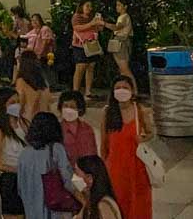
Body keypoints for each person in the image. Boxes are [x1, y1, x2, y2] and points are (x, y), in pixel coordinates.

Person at [102, 76, 153, 219]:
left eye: (125, 88)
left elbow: (150, 133)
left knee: (138, 204)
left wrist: (142, 138)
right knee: (119, 202)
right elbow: (104, 144)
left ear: (132, 91)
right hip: (116, 168)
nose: (121, 91)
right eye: (117, 88)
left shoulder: (139, 110)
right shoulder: (108, 112)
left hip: (137, 167)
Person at [17, 111, 76, 219]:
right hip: (53, 211)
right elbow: (67, 181)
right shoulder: (56, 149)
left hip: (31, 212)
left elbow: (20, 187)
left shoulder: (24, 153)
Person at [0, 87, 28, 219]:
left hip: (27, 179)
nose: (16, 105)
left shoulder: (24, 124)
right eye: (12, 102)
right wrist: (17, 170)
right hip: (10, 181)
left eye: (18, 101)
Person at [71, 2, 103, 100]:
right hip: (80, 45)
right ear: (81, 6)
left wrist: (99, 24)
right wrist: (91, 23)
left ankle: (88, 91)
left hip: (91, 44)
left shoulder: (92, 17)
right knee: (80, 67)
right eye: (87, 6)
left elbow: (98, 29)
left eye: (90, 6)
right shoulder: (77, 17)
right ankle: (75, 91)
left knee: (91, 66)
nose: (89, 8)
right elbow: (77, 27)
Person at [74, 155, 123, 219]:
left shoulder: (104, 205)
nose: (74, 177)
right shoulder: (89, 205)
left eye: (77, 173)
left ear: (89, 178)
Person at [59, 91, 98, 165]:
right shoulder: (56, 130)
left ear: (79, 109)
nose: (68, 110)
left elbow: (93, 156)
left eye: (72, 107)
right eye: (65, 106)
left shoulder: (87, 129)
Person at [108, 1, 134, 85]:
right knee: (122, 70)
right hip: (119, 41)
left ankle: (134, 90)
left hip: (122, 42)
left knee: (125, 69)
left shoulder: (124, 17)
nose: (117, 7)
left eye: (119, 5)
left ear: (125, 6)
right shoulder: (121, 17)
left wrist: (104, 24)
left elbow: (117, 27)